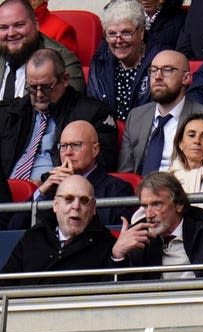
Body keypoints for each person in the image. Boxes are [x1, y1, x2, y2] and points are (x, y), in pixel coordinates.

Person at [0, 48, 118, 180]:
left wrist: (44, 182)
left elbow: (101, 163)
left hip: (57, 193)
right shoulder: (9, 113)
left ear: (65, 79)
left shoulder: (93, 114)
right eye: (32, 87)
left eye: (46, 87)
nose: (39, 94)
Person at [1, 175, 117, 286]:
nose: (76, 206)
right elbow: (5, 284)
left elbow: (118, 293)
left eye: (84, 200)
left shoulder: (106, 243)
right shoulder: (33, 237)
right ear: (55, 204)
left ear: (93, 208)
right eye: (69, 199)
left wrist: (118, 258)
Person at [16, 120, 134, 228]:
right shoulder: (51, 186)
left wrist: (76, 188)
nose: (68, 152)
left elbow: (111, 232)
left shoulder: (118, 188)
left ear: (95, 150)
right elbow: (15, 228)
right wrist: (41, 191)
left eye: (76, 145)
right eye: (63, 146)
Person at [119, 49, 203, 174]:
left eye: (167, 70)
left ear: (186, 78)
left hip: (182, 190)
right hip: (141, 189)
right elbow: (125, 174)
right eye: (153, 70)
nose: (158, 76)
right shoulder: (136, 116)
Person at [133, 113, 203, 218]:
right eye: (191, 135)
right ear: (180, 143)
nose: (197, 141)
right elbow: (139, 217)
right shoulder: (165, 177)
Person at [87, 0, 167, 121]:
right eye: (112, 34)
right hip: (107, 135)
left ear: (141, 32)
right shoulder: (100, 64)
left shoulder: (161, 61)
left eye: (126, 32)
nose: (118, 40)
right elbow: (93, 110)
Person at [0, 0, 84, 99]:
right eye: (3, 28)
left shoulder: (63, 63)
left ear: (36, 24)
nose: (11, 33)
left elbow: (69, 109)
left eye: (19, 25)